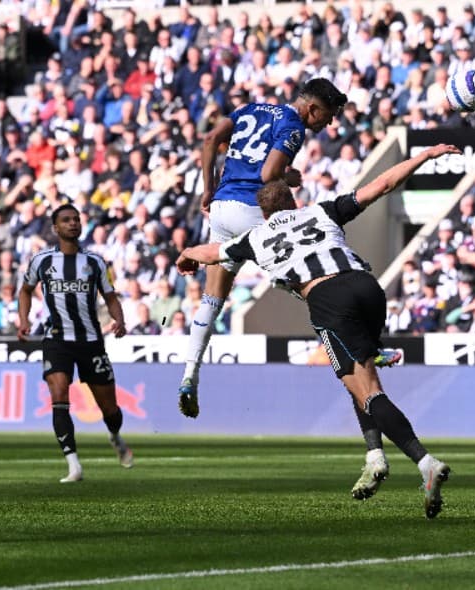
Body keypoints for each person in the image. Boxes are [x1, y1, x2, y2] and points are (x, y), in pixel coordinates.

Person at [175, 145, 459, 518]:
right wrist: (425, 156)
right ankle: (375, 456)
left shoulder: (255, 237)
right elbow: (382, 185)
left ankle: (425, 463)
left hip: (328, 299)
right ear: (293, 203)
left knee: (368, 391)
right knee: (358, 377)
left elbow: (211, 253)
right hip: (367, 287)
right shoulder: (321, 211)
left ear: (264, 213)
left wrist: (186, 254)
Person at [177, 78, 352, 419]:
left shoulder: (249, 108)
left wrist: (208, 188)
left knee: (212, 300)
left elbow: (210, 139)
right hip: (252, 210)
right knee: (310, 278)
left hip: (222, 208)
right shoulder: (293, 126)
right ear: (312, 108)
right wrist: (289, 178)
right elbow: (270, 173)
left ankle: (189, 377)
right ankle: (358, 345)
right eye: (328, 115)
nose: (329, 123)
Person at [17, 204, 133, 483]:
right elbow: (25, 290)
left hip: (90, 341)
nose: (73, 223)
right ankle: (73, 464)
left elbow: (110, 296)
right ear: (55, 228)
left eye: (76, 220)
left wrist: (119, 320)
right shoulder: (41, 260)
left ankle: (115, 435)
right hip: (56, 340)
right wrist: (23, 320)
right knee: (59, 396)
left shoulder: (95, 262)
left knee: (110, 409)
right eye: (66, 220)